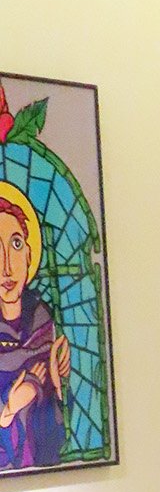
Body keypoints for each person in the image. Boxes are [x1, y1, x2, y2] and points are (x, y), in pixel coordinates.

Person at [0, 184, 68, 472]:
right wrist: (8, 409)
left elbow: (57, 423)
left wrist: (56, 377)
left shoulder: (43, 322)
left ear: (29, 255)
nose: (6, 266)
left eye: (15, 245)